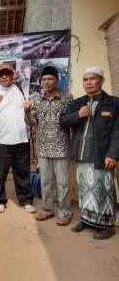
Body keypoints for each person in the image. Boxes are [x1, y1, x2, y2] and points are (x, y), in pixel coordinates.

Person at [60, 66, 118, 239]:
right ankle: (86, 220)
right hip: (82, 154)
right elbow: (63, 120)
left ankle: (107, 225)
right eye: (85, 79)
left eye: (92, 78)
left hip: (102, 155)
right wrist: (78, 114)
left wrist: (113, 154)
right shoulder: (78, 103)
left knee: (104, 190)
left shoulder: (114, 103)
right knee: (85, 189)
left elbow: (117, 131)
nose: (88, 82)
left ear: (101, 80)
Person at [24, 66, 73, 225]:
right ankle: (47, 209)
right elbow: (31, 122)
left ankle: (65, 212)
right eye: (44, 79)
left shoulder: (67, 98)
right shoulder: (36, 101)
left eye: (50, 78)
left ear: (57, 81)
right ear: (40, 82)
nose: (47, 81)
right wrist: (26, 111)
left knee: (62, 182)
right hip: (43, 146)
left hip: (62, 145)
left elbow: (73, 120)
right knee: (45, 180)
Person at [0, 63, 35, 213]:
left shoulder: (21, 90)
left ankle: (25, 200)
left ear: (13, 75)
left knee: (23, 172)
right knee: (0, 173)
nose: (4, 76)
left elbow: (28, 111)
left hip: (21, 139)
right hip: (0, 140)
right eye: (1, 74)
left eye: (7, 74)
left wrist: (28, 108)